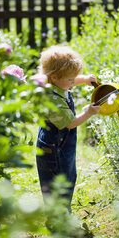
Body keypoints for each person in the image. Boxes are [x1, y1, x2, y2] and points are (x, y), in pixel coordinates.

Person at [35, 45, 100, 212]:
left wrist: (84, 79)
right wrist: (89, 112)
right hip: (56, 149)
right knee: (61, 181)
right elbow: (70, 123)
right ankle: (61, 219)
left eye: (74, 79)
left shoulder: (55, 83)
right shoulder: (53, 101)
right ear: (55, 77)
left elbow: (68, 80)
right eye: (71, 80)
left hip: (56, 145)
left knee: (63, 178)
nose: (73, 83)